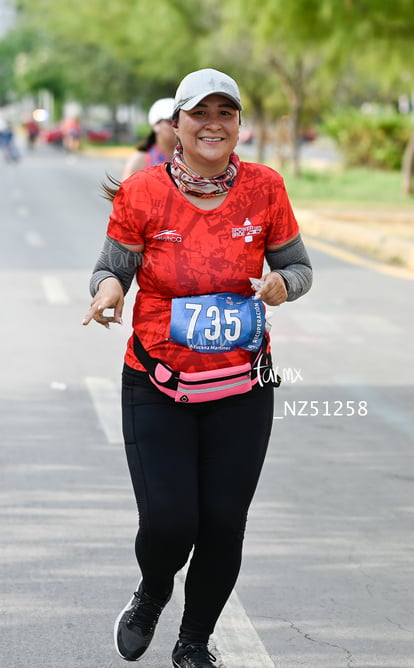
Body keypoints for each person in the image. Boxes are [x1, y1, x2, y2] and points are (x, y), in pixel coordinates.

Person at [83, 68, 312, 667]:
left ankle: (193, 643)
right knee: (169, 523)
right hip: (159, 383)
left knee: (223, 524)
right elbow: (110, 268)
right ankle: (154, 589)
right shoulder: (142, 192)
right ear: (176, 126)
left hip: (243, 387)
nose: (213, 124)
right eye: (199, 114)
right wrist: (109, 291)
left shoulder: (265, 187)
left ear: (238, 124)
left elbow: (300, 268)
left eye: (225, 113)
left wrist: (283, 285)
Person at [122, 97, 176, 180]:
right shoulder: (139, 161)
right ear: (155, 125)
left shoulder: (192, 157)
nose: (176, 125)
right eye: (170, 121)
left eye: (179, 120)